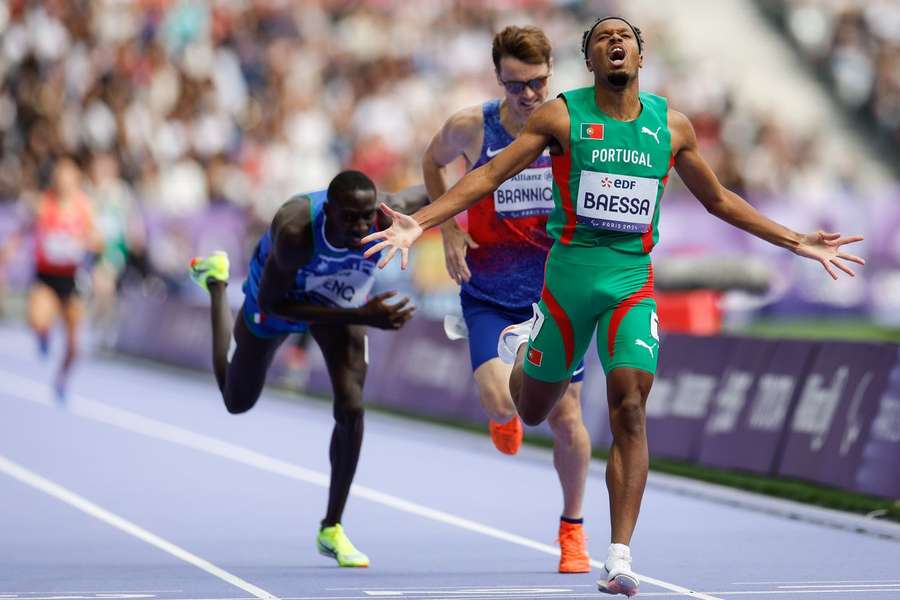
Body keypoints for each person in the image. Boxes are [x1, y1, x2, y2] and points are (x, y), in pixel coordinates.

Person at [363, 16, 865, 597]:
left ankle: (618, 556)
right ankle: (524, 349)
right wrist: (421, 224)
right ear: (591, 61)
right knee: (530, 409)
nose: (615, 42)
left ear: (640, 56)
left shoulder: (670, 126)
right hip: (568, 282)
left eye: (624, 36)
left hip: (631, 283)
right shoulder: (560, 116)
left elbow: (720, 200)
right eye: (603, 38)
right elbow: (491, 174)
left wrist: (795, 239)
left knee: (629, 405)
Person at [188, 171, 427, 568]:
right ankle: (216, 282)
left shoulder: (386, 215)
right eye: (350, 218)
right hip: (281, 298)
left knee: (352, 407)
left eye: (367, 218)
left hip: (341, 301)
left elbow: (437, 190)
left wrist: (455, 221)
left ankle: (331, 527)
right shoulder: (296, 230)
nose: (361, 227)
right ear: (329, 211)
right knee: (236, 400)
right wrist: (363, 314)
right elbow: (272, 305)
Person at [422, 25, 591, 573]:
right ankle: (503, 414)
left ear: (551, 74)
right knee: (503, 402)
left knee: (567, 418)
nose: (528, 96)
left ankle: (572, 530)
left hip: (556, 294)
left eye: (538, 83)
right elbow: (432, 162)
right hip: (490, 291)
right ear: (498, 78)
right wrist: (448, 226)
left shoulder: (571, 125)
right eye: (516, 85)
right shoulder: (474, 126)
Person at [1, 157, 101, 401]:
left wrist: (84, 244)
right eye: (59, 175)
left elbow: (97, 241)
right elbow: (22, 231)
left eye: (68, 176)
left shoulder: (83, 207)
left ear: (76, 179)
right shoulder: (43, 204)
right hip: (46, 277)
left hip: (71, 278)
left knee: (74, 346)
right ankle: (43, 335)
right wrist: (8, 252)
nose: (63, 181)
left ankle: (62, 379)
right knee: (36, 319)